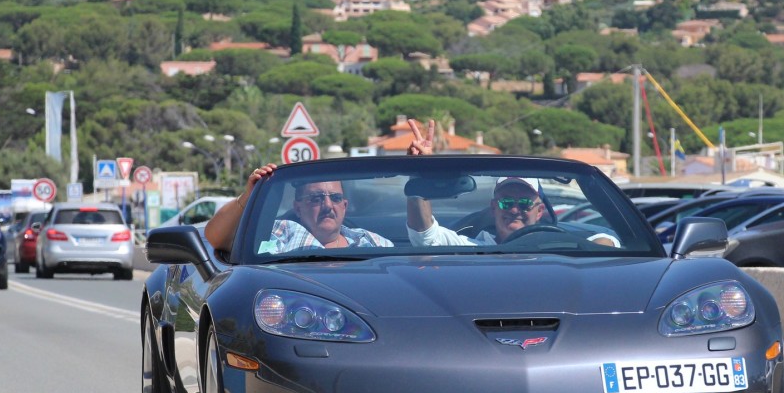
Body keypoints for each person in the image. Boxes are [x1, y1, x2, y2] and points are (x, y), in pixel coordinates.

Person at [403, 118, 616, 247]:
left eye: (524, 203)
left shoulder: (557, 248)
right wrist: (420, 172)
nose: (515, 209)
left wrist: (602, 243)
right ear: (494, 207)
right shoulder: (473, 247)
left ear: (539, 211)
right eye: (506, 203)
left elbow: (610, 241)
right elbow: (425, 237)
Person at [203, 164, 392, 255]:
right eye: (316, 198)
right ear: (297, 208)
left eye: (335, 198)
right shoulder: (277, 237)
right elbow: (215, 237)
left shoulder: (370, 242)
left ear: (345, 206)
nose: (328, 206)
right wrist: (249, 194)